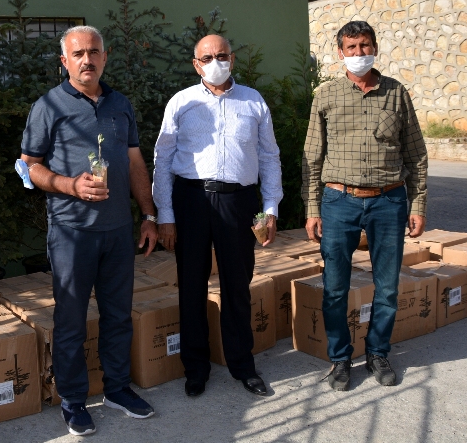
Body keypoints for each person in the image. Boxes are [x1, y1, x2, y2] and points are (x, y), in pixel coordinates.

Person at [19, 25, 158, 436]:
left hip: (118, 231)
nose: (87, 60)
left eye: (94, 52)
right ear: (65, 61)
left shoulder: (120, 104)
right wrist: (70, 185)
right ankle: (74, 400)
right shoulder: (48, 105)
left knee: (118, 316)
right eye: (78, 54)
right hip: (71, 232)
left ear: (104, 57)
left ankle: (117, 389)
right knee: (71, 321)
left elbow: (135, 163)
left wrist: (148, 215)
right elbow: (29, 165)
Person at [152, 34, 282, 399]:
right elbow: (163, 159)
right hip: (191, 200)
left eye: (221, 55)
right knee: (191, 285)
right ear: (196, 64)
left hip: (240, 202)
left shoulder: (253, 101)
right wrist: (165, 214)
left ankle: (242, 364)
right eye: (207, 58)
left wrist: (270, 208)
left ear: (232, 58)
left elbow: (269, 156)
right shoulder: (182, 102)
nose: (215, 62)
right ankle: (196, 368)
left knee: (237, 285)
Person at [302, 20, 428, 392]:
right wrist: (312, 209)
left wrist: (418, 204)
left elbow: (416, 155)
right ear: (340, 52)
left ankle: (378, 353)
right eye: (352, 47)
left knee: (387, 286)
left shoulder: (396, 93)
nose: (359, 53)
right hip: (338, 201)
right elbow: (312, 157)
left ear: (374, 47)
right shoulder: (326, 95)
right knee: (335, 287)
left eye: (365, 45)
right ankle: (340, 359)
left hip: (388, 201)